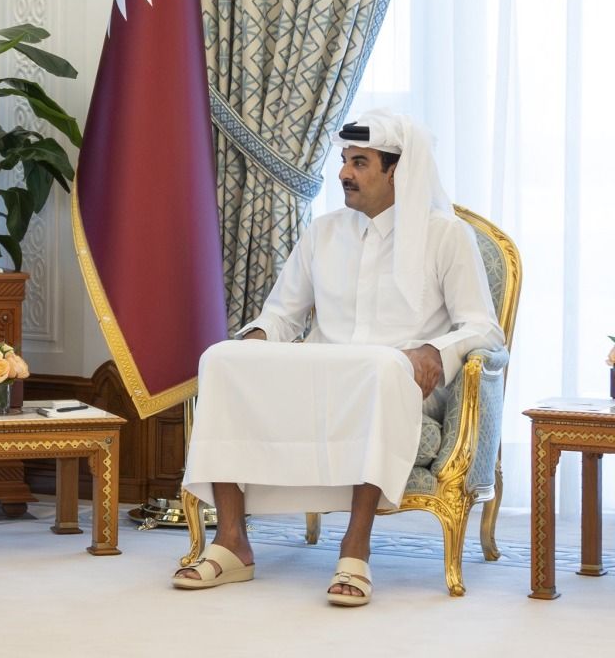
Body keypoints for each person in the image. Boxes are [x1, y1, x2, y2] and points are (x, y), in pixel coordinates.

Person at [173, 110, 504, 606]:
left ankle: (355, 548)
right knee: (220, 358)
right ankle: (232, 541)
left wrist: (433, 350)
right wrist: (254, 342)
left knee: (380, 365)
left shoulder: (445, 235)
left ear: (397, 170)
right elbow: (281, 315)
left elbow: (484, 327)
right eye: (345, 161)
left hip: (401, 382)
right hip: (322, 377)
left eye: (360, 163)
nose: (344, 173)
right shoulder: (323, 232)